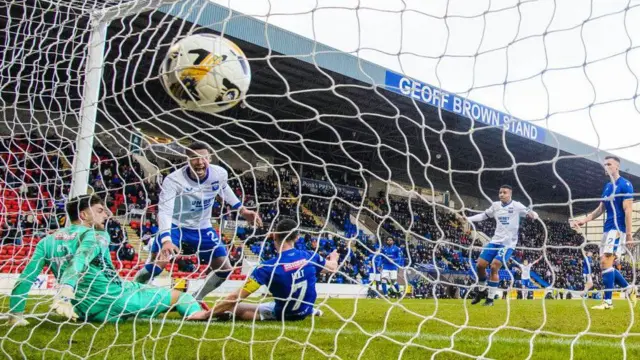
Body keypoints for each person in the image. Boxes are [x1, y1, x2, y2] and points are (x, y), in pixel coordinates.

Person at [134, 142, 262, 305]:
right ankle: (132, 291)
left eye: (203, 157)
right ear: (187, 159)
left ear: (210, 158)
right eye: (194, 157)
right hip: (175, 225)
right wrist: (166, 240)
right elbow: (165, 210)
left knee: (225, 268)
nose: (200, 162)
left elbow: (223, 188)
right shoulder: (173, 180)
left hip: (202, 227)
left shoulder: (219, 173)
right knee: (159, 262)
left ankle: (196, 298)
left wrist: (243, 210)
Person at [50, 195, 210, 323]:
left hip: (81, 308)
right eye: (100, 211)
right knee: (181, 296)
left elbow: (30, 276)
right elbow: (80, 259)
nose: (106, 215)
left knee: (137, 288)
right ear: (83, 215)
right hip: (114, 300)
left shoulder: (50, 240)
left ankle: (153, 305)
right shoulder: (98, 236)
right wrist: (66, 289)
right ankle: (196, 314)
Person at [211, 218, 338, 321]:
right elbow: (332, 268)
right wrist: (334, 258)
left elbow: (235, 297)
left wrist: (206, 314)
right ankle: (311, 310)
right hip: (303, 311)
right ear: (297, 238)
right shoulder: (310, 256)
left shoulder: (267, 267)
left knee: (234, 307)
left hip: (284, 314)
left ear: (274, 235)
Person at [571, 156, 636, 309]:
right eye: (604, 164)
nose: (606, 166)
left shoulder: (625, 185)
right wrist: (584, 220)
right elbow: (601, 209)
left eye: (609, 164)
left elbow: (628, 210)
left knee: (606, 262)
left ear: (617, 167)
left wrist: (628, 234)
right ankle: (629, 288)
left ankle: (608, 302)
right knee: (604, 264)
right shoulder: (607, 186)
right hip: (606, 229)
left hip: (617, 229)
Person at [461, 185, 539, 306]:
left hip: (508, 244)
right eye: (500, 192)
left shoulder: (517, 206)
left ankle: (490, 299)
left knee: (494, 267)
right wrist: (468, 218)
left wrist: (534, 215)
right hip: (494, 241)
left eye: (504, 192)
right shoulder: (495, 206)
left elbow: (532, 213)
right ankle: (481, 291)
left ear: (510, 194)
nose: (501, 194)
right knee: (480, 265)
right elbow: (483, 216)